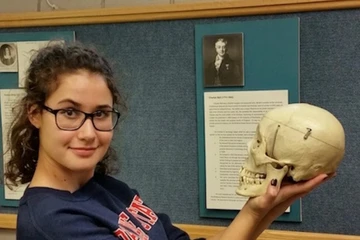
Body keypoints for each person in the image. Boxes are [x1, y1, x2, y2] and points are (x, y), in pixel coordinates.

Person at [4, 42, 332, 240]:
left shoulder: (110, 191)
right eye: (70, 113)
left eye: (101, 113)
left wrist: (262, 207)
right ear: (35, 114)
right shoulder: (53, 222)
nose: (89, 132)